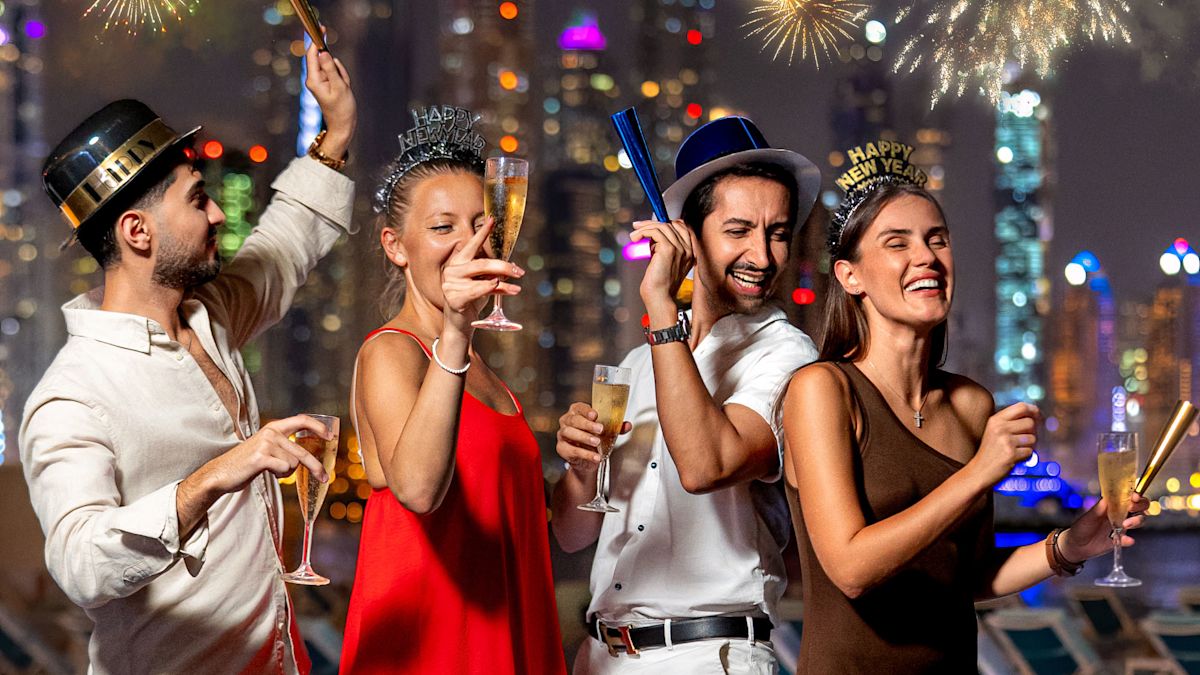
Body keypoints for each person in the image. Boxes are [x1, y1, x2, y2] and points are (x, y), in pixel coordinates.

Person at [19, 45, 355, 674]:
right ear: (137, 232)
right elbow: (80, 564)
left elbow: (282, 247)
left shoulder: (210, 314)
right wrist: (218, 474)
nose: (219, 213)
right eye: (198, 199)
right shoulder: (73, 396)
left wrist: (335, 134)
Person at [781, 141, 1147, 673]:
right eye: (897, 243)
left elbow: (969, 576)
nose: (927, 257)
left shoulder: (972, 405)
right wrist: (979, 473)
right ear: (849, 276)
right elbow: (851, 569)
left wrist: (1068, 546)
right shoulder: (822, 390)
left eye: (937, 240)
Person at [552, 117, 822, 674]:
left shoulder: (788, 355)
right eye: (739, 230)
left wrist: (660, 305)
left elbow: (705, 466)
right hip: (602, 657)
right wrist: (582, 469)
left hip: (708, 654)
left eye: (777, 232)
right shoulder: (637, 364)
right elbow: (572, 534)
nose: (763, 255)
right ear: (687, 237)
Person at [338, 106, 566, 675]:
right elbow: (417, 490)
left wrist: (582, 471)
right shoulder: (390, 352)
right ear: (396, 246)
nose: (470, 243)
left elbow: (530, 526)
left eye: (481, 225)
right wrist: (457, 330)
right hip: (431, 648)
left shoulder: (485, 373)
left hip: (506, 638)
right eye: (443, 227)